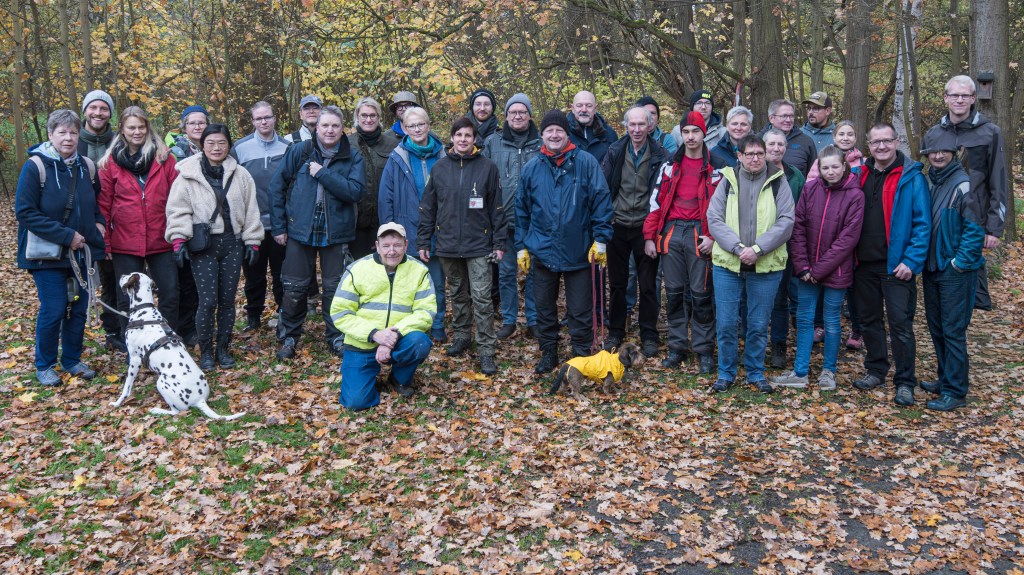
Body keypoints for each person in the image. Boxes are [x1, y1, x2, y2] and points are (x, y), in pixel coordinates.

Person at [516, 109, 613, 374]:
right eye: (549, 130)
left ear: (567, 134)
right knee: (544, 308)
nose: (555, 135)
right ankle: (549, 352)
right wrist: (521, 246)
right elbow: (521, 210)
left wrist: (601, 239)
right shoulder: (532, 168)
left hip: (579, 250)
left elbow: (601, 201)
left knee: (580, 310)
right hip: (542, 251)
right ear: (542, 135)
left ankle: (581, 356)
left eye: (559, 130)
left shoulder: (586, 163)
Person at [269, 105, 366, 359]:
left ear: (343, 128)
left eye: (335, 125)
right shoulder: (300, 151)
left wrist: (323, 173)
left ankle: (337, 337)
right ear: (317, 127)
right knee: (294, 287)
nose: (330, 130)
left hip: (336, 233)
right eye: (325, 125)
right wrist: (279, 226)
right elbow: (276, 187)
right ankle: (289, 337)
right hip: (301, 230)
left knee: (336, 289)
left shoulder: (352, 156)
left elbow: (355, 192)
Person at [16, 109, 105, 386]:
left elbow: (96, 204)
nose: (68, 138)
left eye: (73, 132)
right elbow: (25, 212)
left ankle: (72, 360)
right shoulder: (36, 167)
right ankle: (44, 364)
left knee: (78, 309)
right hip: (47, 255)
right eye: (62, 132)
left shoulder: (87, 166)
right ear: (50, 134)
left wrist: (99, 225)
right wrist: (67, 236)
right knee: (54, 308)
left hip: (81, 253)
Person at [166, 124, 263, 371]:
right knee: (208, 301)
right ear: (202, 145)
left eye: (221, 143)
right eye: (210, 143)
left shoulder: (241, 175)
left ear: (229, 145)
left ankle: (223, 348)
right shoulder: (187, 174)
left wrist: (253, 241)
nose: (216, 148)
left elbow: (251, 209)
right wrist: (178, 240)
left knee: (228, 301)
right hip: (204, 245)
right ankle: (206, 351)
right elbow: (178, 209)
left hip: (232, 242)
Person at [706, 134, 795, 394]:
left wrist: (757, 249)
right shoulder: (727, 180)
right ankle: (726, 373)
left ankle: (755, 372)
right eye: (749, 154)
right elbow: (714, 218)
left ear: (765, 155)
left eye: (759, 153)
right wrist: (737, 248)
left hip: (765, 265)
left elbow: (786, 221)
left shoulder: (779, 181)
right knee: (726, 323)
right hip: (728, 265)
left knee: (757, 324)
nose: (755, 158)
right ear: (739, 156)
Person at [417, 118, 506, 374]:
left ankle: (486, 350)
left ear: (475, 139)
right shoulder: (440, 168)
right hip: (447, 244)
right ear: (452, 138)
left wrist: (499, 242)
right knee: (457, 294)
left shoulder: (487, 167)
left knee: (482, 297)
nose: (463, 139)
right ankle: (462, 337)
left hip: (479, 245)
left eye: (468, 135)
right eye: (459, 135)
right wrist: (423, 240)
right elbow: (428, 208)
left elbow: (497, 208)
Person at [851, 123, 930, 407]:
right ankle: (876, 370)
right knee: (869, 321)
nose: (881, 146)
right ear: (869, 145)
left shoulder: (912, 177)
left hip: (897, 266)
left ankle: (905, 381)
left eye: (887, 141)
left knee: (900, 325)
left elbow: (923, 224)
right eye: (876, 142)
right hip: (863, 265)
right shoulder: (858, 174)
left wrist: (911, 260)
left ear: (896, 142)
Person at [772, 145, 864, 391]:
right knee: (805, 319)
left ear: (844, 166)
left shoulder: (855, 195)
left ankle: (828, 372)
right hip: (807, 271)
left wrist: (819, 270)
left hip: (836, 271)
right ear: (819, 169)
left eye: (835, 166)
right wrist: (803, 265)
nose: (831, 171)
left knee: (832, 321)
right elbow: (798, 226)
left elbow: (848, 239)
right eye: (825, 167)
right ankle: (800, 371)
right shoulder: (811, 188)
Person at [644, 111, 725, 373]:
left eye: (695, 131)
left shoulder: (718, 167)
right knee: (674, 294)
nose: (691, 137)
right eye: (686, 132)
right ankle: (677, 347)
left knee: (701, 295)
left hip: (701, 233)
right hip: (672, 232)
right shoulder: (669, 164)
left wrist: (713, 236)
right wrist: (649, 236)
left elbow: (726, 208)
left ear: (704, 133)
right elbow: (656, 202)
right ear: (681, 134)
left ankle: (704, 350)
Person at [922, 75, 1009, 311]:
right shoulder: (934, 133)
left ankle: (966, 314)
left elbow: (998, 180)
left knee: (968, 274)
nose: (959, 100)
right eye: (954, 95)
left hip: (974, 218)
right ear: (946, 98)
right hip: (941, 218)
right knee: (941, 280)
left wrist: (994, 228)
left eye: (964, 95)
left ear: (973, 98)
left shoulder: (990, 132)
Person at [330, 222, 435, 408]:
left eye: (397, 245)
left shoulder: (419, 271)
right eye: (386, 246)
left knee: (419, 342)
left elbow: (425, 312)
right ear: (377, 246)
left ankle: (398, 378)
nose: (391, 251)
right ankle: (365, 378)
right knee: (356, 402)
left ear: (406, 245)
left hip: (399, 339)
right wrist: (374, 334)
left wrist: (392, 336)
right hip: (362, 342)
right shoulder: (357, 269)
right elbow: (341, 312)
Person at [97, 106, 181, 338]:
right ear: (122, 130)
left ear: (147, 128)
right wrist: (105, 243)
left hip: (161, 239)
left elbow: (178, 200)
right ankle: (133, 344)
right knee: (127, 297)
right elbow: (103, 206)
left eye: (141, 127)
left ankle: (166, 340)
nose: (137, 132)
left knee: (170, 293)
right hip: (125, 242)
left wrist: (178, 234)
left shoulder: (164, 159)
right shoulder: (109, 164)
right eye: (131, 127)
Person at [917, 136, 985, 411]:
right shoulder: (931, 180)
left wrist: (960, 262)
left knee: (953, 330)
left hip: (954, 269)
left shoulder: (964, 184)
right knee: (937, 328)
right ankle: (945, 378)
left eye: (943, 151)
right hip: (932, 266)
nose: (938, 156)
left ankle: (955, 391)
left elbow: (975, 228)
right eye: (933, 151)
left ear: (954, 152)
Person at [600, 106, 670, 357]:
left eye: (642, 124)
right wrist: (605, 217)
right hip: (617, 225)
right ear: (626, 126)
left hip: (646, 226)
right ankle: (616, 331)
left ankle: (649, 333)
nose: (637, 129)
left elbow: (664, 194)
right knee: (618, 284)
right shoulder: (615, 150)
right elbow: (603, 186)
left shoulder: (661, 155)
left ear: (650, 125)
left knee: (648, 284)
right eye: (633, 124)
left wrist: (654, 231)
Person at [378, 106, 447, 342]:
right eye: (411, 126)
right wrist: (390, 232)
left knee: (436, 282)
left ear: (428, 125)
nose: (417, 129)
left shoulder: (443, 154)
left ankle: (437, 324)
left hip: (438, 230)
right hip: (407, 229)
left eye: (421, 124)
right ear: (404, 129)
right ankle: (411, 326)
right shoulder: (397, 158)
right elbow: (386, 197)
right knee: (408, 283)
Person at [483, 93, 542, 340]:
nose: (517, 116)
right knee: (506, 273)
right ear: (506, 116)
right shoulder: (492, 142)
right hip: (503, 222)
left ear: (529, 115)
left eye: (522, 112)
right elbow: (483, 179)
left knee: (534, 273)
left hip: (535, 222)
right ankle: (509, 320)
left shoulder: (542, 142)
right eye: (513, 112)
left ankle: (534, 319)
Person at [231, 101, 290, 333]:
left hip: (279, 224)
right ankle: (253, 316)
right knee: (253, 275)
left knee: (281, 274)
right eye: (259, 118)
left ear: (275, 118)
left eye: (267, 117)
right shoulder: (240, 148)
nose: (264, 122)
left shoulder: (288, 147)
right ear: (253, 121)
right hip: (251, 225)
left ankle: (284, 314)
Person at [78, 89, 124, 352]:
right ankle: (72, 338)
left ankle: (114, 331)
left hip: (115, 222)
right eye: (93, 108)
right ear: (85, 111)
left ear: (110, 113)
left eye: (104, 108)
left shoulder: (120, 142)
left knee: (113, 278)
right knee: (77, 282)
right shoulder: (72, 140)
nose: (98, 113)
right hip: (79, 223)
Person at [764, 128, 806, 369]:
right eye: (771, 144)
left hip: (787, 246)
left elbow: (802, 211)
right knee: (756, 298)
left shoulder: (795, 175)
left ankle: (780, 346)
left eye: (780, 144)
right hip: (757, 245)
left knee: (783, 298)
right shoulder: (753, 171)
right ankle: (756, 343)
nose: (776, 148)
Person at [348, 97, 399, 258]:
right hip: (354, 221)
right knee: (357, 267)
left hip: (383, 219)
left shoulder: (392, 145)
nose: (368, 119)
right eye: (364, 115)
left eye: (372, 115)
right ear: (357, 117)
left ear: (379, 117)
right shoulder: (347, 144)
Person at [760, 99, 817, 176]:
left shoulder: (806, 142)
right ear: (771, 118)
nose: (788, 120)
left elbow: (814, 175)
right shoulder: (758, 140)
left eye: (791, 116)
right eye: (784, 116)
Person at [567, 90, 617, 161]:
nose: (584, 110)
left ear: (595, 109)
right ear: (573, 108)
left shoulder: (610, 134)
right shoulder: (562, 133)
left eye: (589, 106)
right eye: (579, 105)